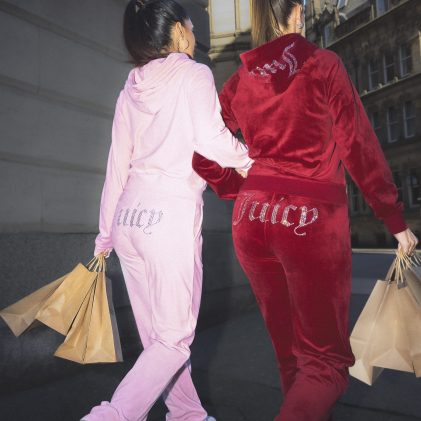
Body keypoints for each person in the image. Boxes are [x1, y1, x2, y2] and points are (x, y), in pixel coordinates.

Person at [192, 0, 419, 420]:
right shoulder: (323, 64)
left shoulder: (240, 80)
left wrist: (242, 188)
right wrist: (394, 220)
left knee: (292, 358)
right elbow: (358, 146)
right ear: (297, 12)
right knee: (326, 365)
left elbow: (202, 154)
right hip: (309, 220)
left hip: (251, 220)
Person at [80, 1, 253, 420]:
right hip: (168, 218)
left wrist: (105, 237)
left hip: (127, 220)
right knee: (174, 338)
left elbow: (116, 164)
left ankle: (187, 413)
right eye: (191, 26)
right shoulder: (194, 74)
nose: (194, 35)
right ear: (177, 30)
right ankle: (111, 416)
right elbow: (211, 139)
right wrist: (251, 161)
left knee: (160, 339)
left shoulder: (131, 86)